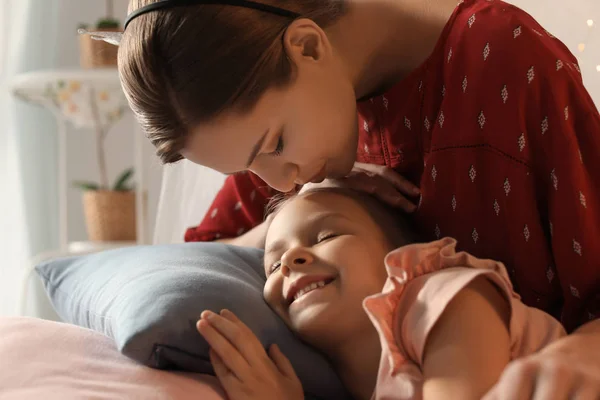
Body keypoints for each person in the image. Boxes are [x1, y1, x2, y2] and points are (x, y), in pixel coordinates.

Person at [119, 0, 600, 396]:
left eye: (274, 146)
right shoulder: (281, 134)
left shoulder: (502, 59)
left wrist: (580, 357)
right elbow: (200, 258)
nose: (282, 184)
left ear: (308, 46)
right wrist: (289, 220)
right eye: (248, 168)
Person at [196, 186, 567, 400]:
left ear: (399, 255)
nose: (291, 259)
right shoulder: (345, 381)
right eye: (274, 266)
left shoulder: (444, 300)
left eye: (327, 236)